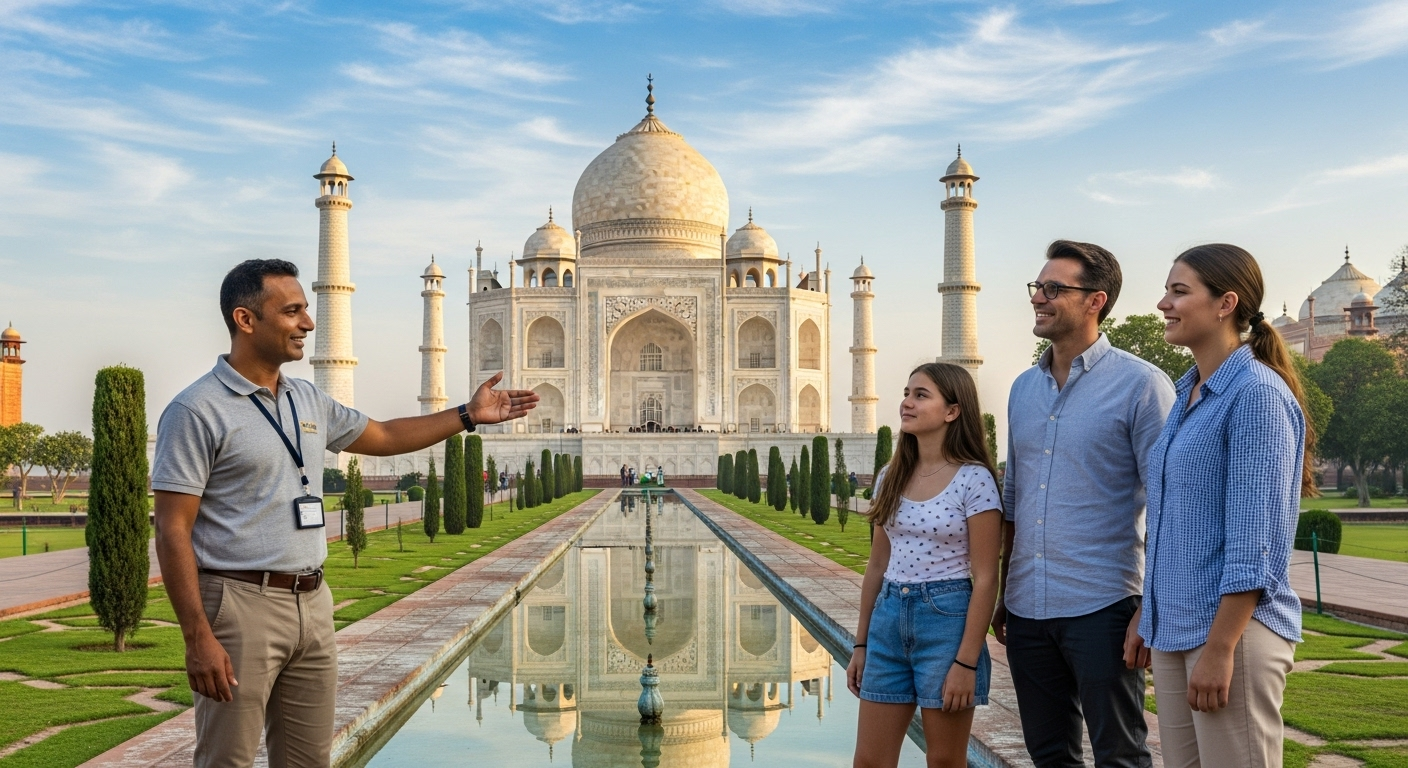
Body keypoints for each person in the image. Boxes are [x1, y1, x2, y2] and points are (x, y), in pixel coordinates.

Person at [152, 259, 538, 768]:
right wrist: (197, 636)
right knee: (229, 760)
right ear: (246, 320)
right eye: (292, 312)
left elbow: (383, 435)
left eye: (307, 310)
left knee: (309, 760)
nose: (308, 324)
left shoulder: (304, 398)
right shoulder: (197, 409)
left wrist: (468, 415)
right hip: (240, 602)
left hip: (311, 601)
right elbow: (172, 528)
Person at [995, 240, 1174, 768]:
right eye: (1038, 287)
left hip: (1104, 606)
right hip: (1028, 607)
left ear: (1095, 300)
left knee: (1118, 754)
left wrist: (1150, 606)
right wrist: (1006, 589)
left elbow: (1167, 504)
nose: (1038, 298)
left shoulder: (1141, 385)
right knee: (1050, 755)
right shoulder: (1023, 389)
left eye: (1053, 289)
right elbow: (1014, 498)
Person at [1133, 245, 1308, 768]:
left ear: (1226, 303)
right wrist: (1150, 612)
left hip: (1231, 634)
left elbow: (1255, 539)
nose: (1163, 303)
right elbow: (1173, 521)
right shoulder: (1190, 392)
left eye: (1179, 291)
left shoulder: (1255, 394)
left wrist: (1220, 648)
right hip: (1176, 629)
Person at [847, 363, 1002, 768]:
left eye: (920, 395)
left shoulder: (974, 480)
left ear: (952, 411)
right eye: (906, 392)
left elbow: (986, 578)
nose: (906, 402)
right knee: (869, 761)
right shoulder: (891, 476)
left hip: (945, 624)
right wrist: (861, 643)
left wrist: (966, 662)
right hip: (888, 622)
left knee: (945, 761)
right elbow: (877, 564)